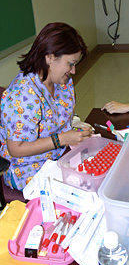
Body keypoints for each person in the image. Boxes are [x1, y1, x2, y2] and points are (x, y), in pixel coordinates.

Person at [0, 22, 93, 191]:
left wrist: (75, 123)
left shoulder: (61, 83)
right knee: (82, 191)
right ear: (49, 57)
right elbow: (15, 149)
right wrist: (63, 139)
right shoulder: (23, 96)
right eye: (70, 63)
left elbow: (59, 114)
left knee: (96, 170)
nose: (73, 71)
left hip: (58, 155)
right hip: (27, 169)